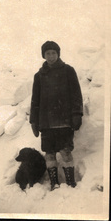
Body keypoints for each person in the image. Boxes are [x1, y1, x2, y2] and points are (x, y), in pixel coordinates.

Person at [30, 41, 83, 191]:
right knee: (50, 154)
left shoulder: (68, 71)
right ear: (44, 55)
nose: (51, 56)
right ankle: (54, 183)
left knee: (66, 152)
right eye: (48, 53)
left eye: (54, 53)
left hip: (64, 122)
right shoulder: (39, 76)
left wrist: (77, 114)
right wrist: (34, 121)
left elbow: (76, 94)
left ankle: (71, 182)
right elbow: (35, 100)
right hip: (46, 123)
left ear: (58, 53)